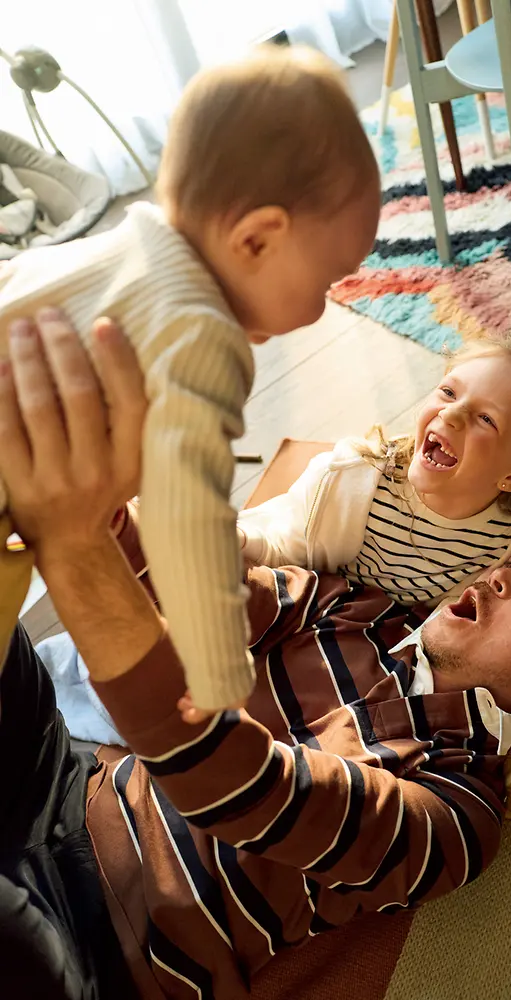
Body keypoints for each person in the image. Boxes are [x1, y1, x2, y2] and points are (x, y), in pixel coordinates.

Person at [0, 312, 511, 999]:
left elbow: (266, 800)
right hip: (68, 781)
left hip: (105, 936)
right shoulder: (360, 608)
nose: (502, 577)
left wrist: (91, 562)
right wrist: (113, 507)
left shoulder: (458, 810)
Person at [0, 44, 381, 721]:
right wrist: (217, 663)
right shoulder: (203, 336)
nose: (321, 309)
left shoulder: (98, 254)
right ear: (256, 240)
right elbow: (188, 517)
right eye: (325, 282)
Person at [237, 335, 511, 613]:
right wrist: (238, 541)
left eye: (486, 419)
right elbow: (280, 549)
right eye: (448, 392)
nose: (451, 414)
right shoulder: (348, 478)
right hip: (316, 607)